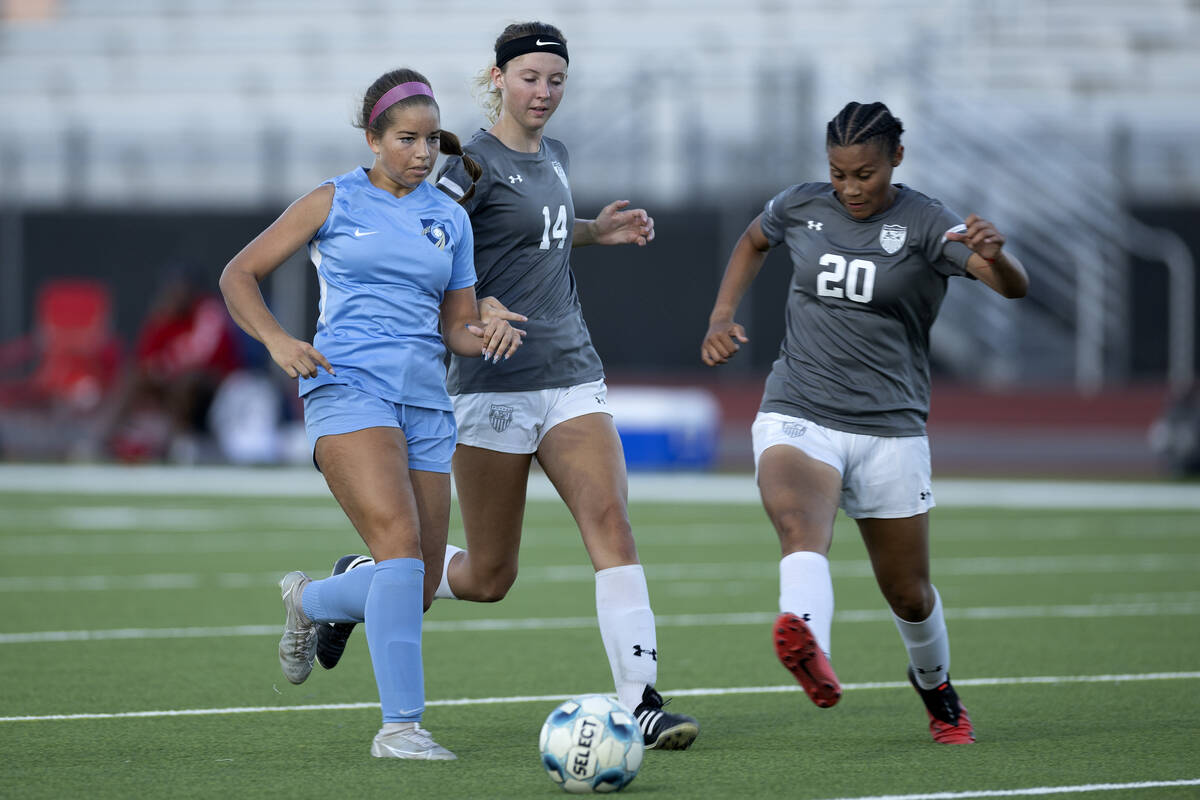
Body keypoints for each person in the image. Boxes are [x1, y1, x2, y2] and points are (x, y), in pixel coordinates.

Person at [314, 21, 700, 751]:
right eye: (529, 78)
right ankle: (358, 580)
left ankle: (641, 701)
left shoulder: (553, 155)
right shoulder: (466, 163)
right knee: (485, 577)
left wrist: (594, 231)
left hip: (570, 375)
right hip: (489, 386)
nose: (544, 92)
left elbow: (534, 232)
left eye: (556, 80)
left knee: (611, 522)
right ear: (498, 80)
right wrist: (477, 306)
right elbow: (425, 244)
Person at [700, 101, 1029, 744]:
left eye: (865, 174)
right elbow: (753, 240)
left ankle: (936, 688)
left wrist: (999, 255)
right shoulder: (800, 205)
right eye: (839, 173)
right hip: (800, 408)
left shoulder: (930, 223)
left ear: (896, 160)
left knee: (909, 594)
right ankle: (807, 642)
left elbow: (1010, 287)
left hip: (891, 429)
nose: (850, 188)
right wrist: (720, 315)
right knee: (800, 525)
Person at [218, 68, 522, 760]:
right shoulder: (333, 199)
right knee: (395, 544)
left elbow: (457, 328)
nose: (422, 153)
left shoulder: (449, 218)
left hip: (425, 403)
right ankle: (401, 729)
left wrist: (490, 330)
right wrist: (277, 340)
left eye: (429, 142)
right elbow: (238, 274)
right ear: (373, 139)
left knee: (410, 586)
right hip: (347, 387)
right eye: (406, 140)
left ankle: (312, 601)